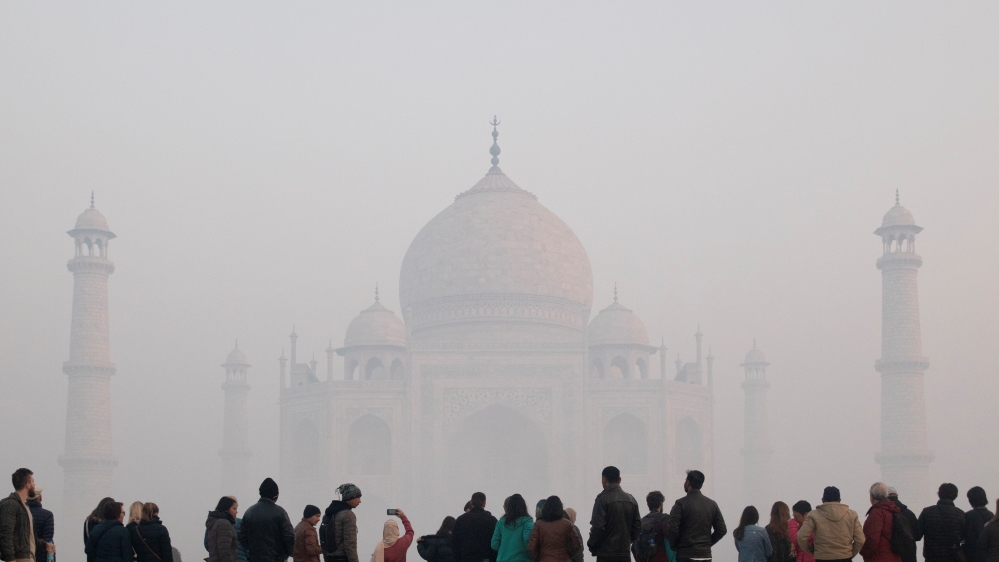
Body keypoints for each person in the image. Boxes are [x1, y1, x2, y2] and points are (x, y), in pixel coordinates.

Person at [665, 470, 726, 562]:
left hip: (686, 555)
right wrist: (706, 544)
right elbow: (722, 530)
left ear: (688, 482)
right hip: (706, 555)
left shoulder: (680, 504)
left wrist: (675, 546)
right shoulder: (712, 504)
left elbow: (672, 528)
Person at [796, 486, 864, 562]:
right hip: (845, 557)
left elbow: (801, 536)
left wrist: (809, 550)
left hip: (822, 557)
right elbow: (860, 539)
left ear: (822, 500)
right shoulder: (852, 515)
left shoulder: (814, 515)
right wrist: (850, 554)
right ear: (839, 500)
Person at [587, 467, 641, 562]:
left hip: (605, 554)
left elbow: (598, 527)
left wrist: (591, 544)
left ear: (604, 479)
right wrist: (627, 541)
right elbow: (637, 527)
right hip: (624, 554)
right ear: (619, 480)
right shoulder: (631, 500)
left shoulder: (602, 499)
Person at [238, 478, 295, 562]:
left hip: (255, 558)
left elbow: (242, 537)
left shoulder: (249, 512)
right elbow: (289, 536)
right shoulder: (280, 512)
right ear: (275, 496)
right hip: (276, 558)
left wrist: (253, 550)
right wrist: (287, 554)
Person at [0, 469, 50, 562]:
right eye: (32, 481)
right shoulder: (10, 504)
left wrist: (45, 544)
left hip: (29, 557)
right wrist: (10, 559)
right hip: (19, 558)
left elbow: (29, 537)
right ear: (27, 485)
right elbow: (6, 534)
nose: (34, 485)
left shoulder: (25, 507)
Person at [917, 483, 966, 562]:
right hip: (952, 557)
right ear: (955, 496)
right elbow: (963, 537)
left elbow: (917, 535)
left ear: (939, 494)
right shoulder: (960, 514)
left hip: (932, 557)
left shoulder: (927, 512)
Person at [528, 496, 581, 562]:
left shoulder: (539, 525)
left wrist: (539, 558)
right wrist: (568, 555)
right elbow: (577, 545)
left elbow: (531, 547)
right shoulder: (567, 524)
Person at [859, 482, 901, 562]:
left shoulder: (877, 513)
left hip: (879, 557)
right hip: (895, 556)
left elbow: (872, 538)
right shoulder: (894, 510)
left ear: (871, 497)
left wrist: (864, 552)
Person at [322, 483, 362, 562]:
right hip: (343, 558)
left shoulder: (328, 514)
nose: (360, 501)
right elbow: (350, 544)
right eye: (358, 497)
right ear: (350, 498)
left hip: (329, 558)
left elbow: (323, 539)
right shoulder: (348, 515)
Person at [452, 492, 497, 562]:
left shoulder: (460, 520)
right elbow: (496, 543)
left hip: (466, 558)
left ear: (471, 502)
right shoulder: (492, 520)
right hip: (486, 558)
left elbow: (455, 544)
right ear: (484, 503)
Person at [633, 491, 674, 562]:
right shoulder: (665, 520)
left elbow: (634, 547)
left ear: (648, 504)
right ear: (661, 504)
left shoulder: (641, 521)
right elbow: (672, 539)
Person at [491, 495, 533, 562]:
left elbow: (494, 544)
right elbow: (528, 539)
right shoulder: (527, 522)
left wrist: (505, 549)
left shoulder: (501, 523)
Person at [887, 489, 919, 562]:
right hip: (909, 554)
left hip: (892, 554)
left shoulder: (885, 514)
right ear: (897, 496)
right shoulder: (910, 513)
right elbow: (917, 535)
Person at [965, 487, 994, 562]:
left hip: (971, 555)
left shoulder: (968, 516)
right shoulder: (991, 515)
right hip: (988, 555)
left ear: (971, 500)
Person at [207, 497, 240, 562]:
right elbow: (224, 549)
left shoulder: (217, 522)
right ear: (226, 509)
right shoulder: (224, 524)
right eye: (234, 508)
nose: (237, 511)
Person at [25, 489, 53, 562]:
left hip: (25, 554)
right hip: (42, 556)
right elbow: (48, 538)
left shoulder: (22, 513)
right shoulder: (48, 515)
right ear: (40, 498)